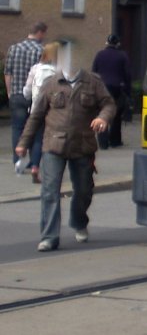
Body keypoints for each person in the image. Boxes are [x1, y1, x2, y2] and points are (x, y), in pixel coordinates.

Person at [16, 68, 115, 252]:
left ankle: (78, 221)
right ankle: (49, 237)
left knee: (84, 189)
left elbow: (108, 104)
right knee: (50, 191)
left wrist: (103, 118)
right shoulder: (51, 83)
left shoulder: (93, 81)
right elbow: (36, 116)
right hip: (54, 145)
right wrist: (23, 143)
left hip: (82, 145)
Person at [5, 21, 47, 171]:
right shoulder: (41, 50)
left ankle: (18, 160)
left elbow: (8, 73)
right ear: (40, 33)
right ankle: (34, 163)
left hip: (16, 94)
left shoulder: (14, 49)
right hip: (34, 96)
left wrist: (10, 92)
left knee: (17, 128)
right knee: (36, 130)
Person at [21, 42, 61, 184]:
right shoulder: (58, 71)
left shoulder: (35, 69)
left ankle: (34, 166)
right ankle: (48, 168)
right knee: (49, 139)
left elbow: (26, 90)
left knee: (36, 138)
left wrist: (29, 97)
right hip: (51, 110)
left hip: (35, 108)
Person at [91, 34, 132, 148]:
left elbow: (94, 71)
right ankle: (115, 140)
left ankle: (103, 142)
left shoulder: (100, 55)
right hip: (117, 88)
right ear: (118, 44)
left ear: (107, 43)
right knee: (116, 114)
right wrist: (128, 91)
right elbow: (127, 74)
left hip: (102, 87)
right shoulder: (122, 56)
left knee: (102, 112)